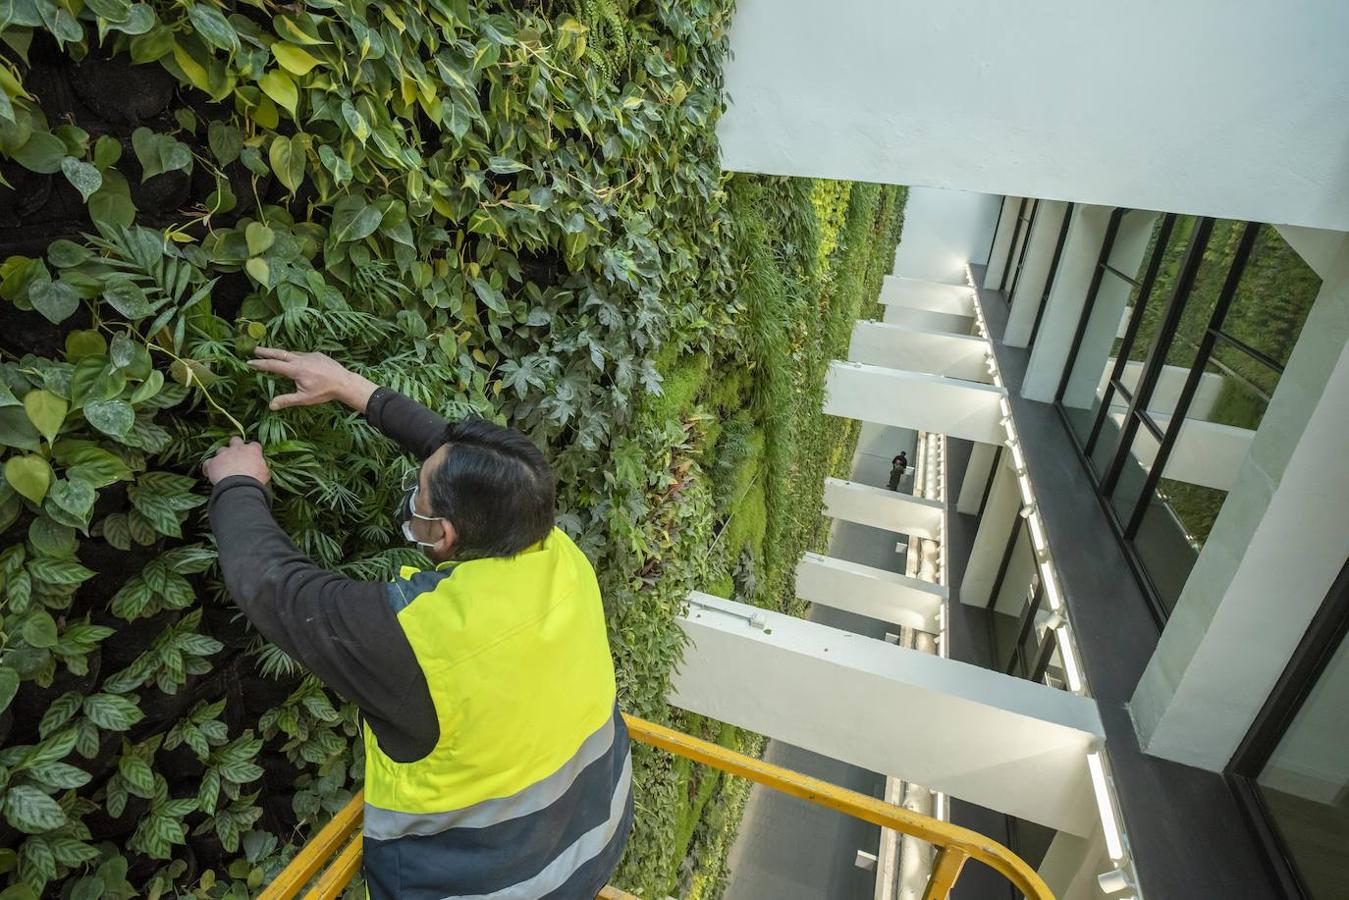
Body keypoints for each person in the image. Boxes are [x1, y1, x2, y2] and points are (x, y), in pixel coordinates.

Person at [202, 347, 633, 900]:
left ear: (444, 534)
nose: (414, 498)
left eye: (420, 495)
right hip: (595, 839)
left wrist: (237, 484)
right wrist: (352, 387)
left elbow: (275, 587)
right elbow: (461, 459)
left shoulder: (418, 642)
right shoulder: (557, 551)